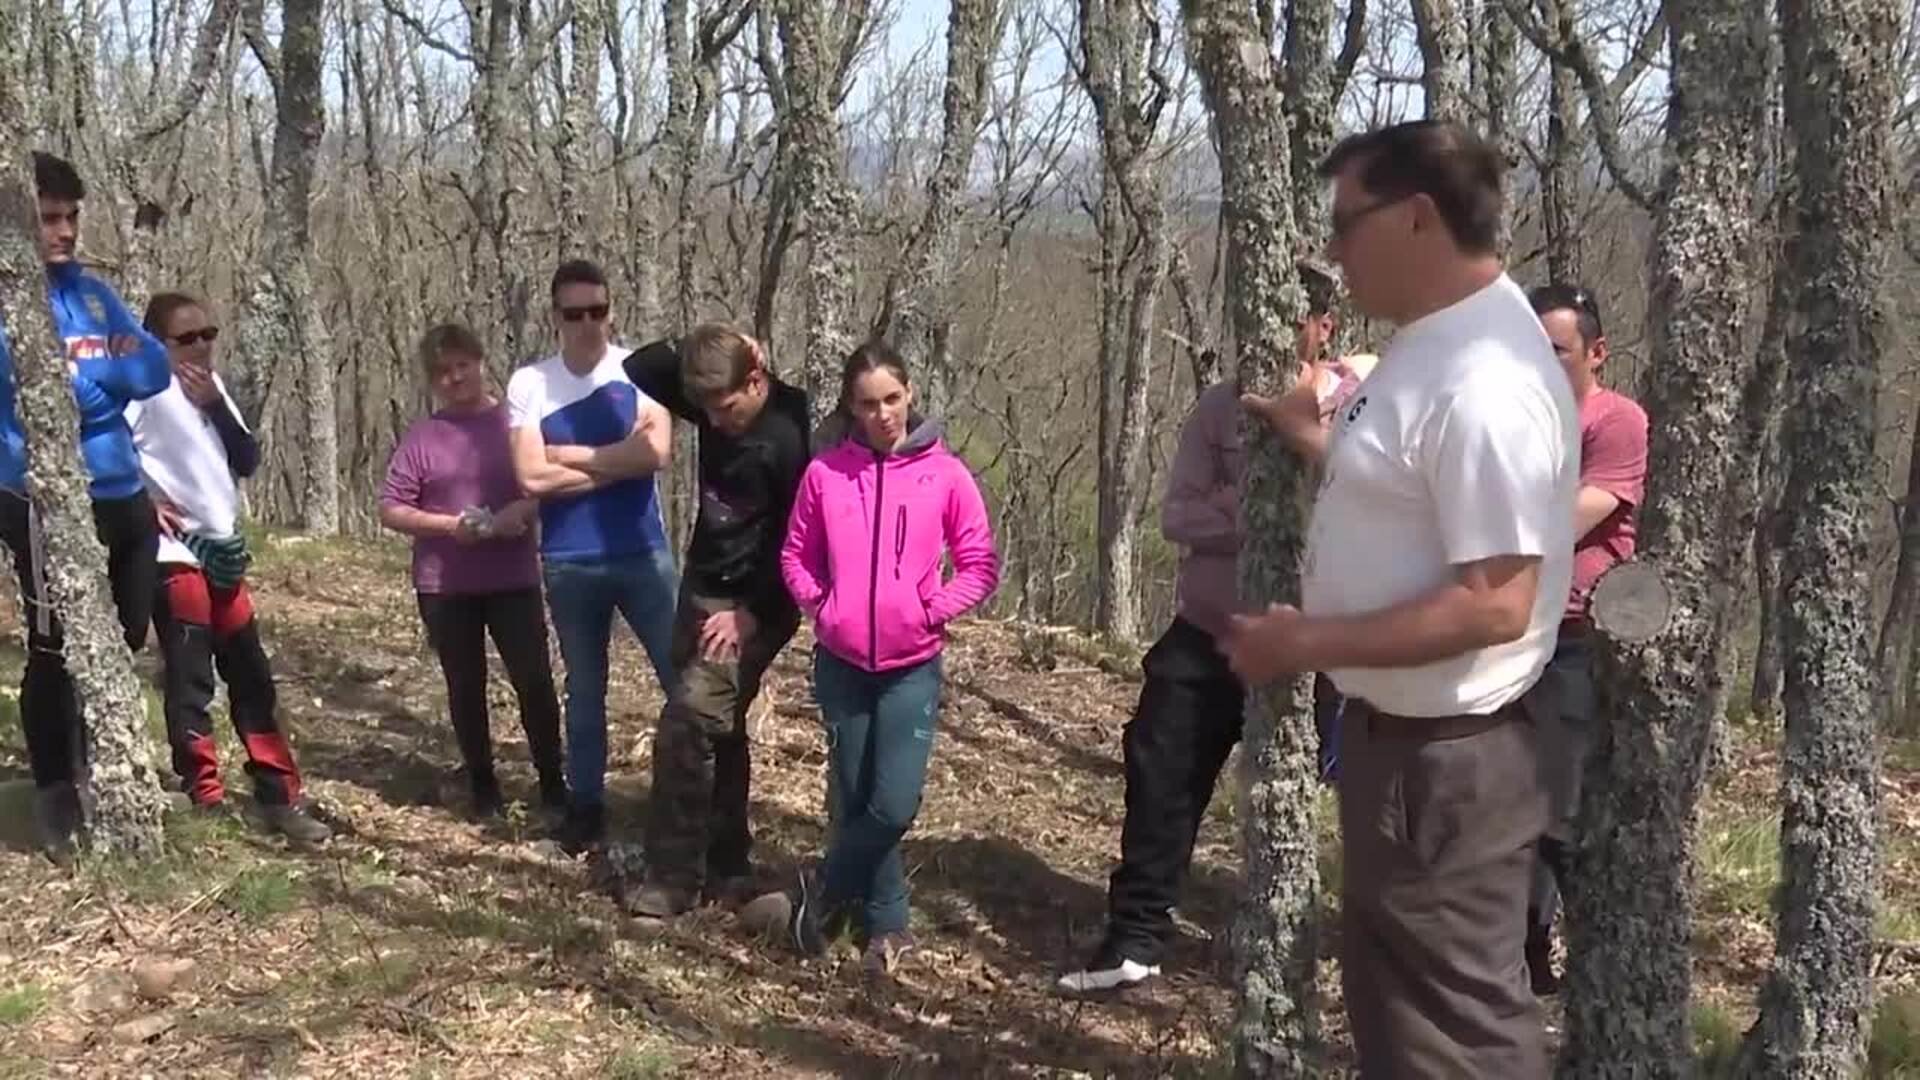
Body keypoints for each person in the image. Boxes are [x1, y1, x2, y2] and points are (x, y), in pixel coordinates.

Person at [1222, 120, 1578, 1077]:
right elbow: (1419, 494)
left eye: (1348, 223)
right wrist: (1313, 440)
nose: (1335, 250)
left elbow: (1495, 603)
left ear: (1418, 217)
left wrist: (1305, 643)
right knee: (1401, 1022)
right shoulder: (1432, 346)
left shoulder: (1488, 380)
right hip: (1403, 752)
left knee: (1457, 1036)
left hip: (1448, 766)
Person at [1057, 266, 1356, 995]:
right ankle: (1135, 937)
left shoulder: (1356, 403)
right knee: (1160, 766)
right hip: (1209, 632)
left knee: (1346, 791)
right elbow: (1177, 517)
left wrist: (1251, 505)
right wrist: (1254, 510)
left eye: (1293, 319)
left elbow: (1357, 513)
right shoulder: (1218, 408)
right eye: (1257, 316)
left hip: (1321, 643)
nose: (1272, 334)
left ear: (1323, 327)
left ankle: (1322, 947)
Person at [766, 340, 1000, 975]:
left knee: (894, 803)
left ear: (910, 394)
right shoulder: (826, 474)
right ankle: (887, 927)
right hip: (842, 661)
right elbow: (795, 555)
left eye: (892, 399)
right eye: (868, 404)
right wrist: (824, 607)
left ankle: (821, 891)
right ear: (851, 405)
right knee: (854, 796)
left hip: (911, 664)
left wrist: (931, 609)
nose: (883, 414)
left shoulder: (944, 474)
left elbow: (979, 564)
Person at [0, 152, 171, 860]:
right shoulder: (10, 303)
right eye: (49, 218)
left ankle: (101, 763)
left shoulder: (94, 296)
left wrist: (98, 374)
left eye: (71, 216)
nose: (65, 231)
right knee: (55, 646)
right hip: (43, 495)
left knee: (123, 634)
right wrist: (104, 376)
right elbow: (46, 397)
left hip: (124, 492)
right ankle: (54, 790)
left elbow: (153, 368)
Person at [614, 324, 810, 917]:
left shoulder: (790, 433)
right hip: (702, 590)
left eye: (727, 408)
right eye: (707, 411)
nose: (717, 422)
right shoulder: (715, 395)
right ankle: (727, 861)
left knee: (689, 722)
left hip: (756, 605)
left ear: (757, 382)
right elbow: (641, 366)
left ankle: (671, 879)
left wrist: (751, 615)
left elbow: (802, 539)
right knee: (720, 731)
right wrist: (720, 338)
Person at [126, 293, 331, 844]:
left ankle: (279, 794)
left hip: (222, 550)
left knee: (251, 676)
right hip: (175, 553)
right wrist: (144, 499)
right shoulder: (142, 389)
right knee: (191, 677)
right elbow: (104, 445)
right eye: (186, 338)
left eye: (208, 334)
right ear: (157, 343)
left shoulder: (213, 389)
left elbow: (247, 459)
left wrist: (215, 405)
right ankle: (206, 795)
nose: (201, 346)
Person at [508, 259, 676, 852]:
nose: (587, 324)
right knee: (584, 690)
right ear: (555, 317)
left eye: (597, 311)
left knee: (683, 679)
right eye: (574, 313)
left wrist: (572, 456)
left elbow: (656, 454)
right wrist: (615, 461)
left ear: (611, 311)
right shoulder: (530, 383)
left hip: (642, 552)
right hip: (569, 558)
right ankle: (585, 810)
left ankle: (697, 802)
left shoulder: (640, 372)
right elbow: (531, 477)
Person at [380, 323, 566, 822]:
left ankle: (554, 784)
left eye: (463, 365)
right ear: (432, 380)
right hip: (446, 584)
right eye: (443, 371)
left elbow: (549, 481)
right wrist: (448, 526)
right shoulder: (423, 437)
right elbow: (391, 507)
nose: (456, 377)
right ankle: (484, 788)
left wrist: (523, 511)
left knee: (534, 681)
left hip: (513, 578)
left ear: (481, 363)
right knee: (465, 685)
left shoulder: (515, 424)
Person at [1523, 284, 1648, 994]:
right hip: (1507, 633)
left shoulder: (1615, 421)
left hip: (1574, 636)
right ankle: (1522, 953)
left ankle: (1604, 968)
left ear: (1596, 351)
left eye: (1556, 351)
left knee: (1561, 806)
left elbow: (1562, 522)